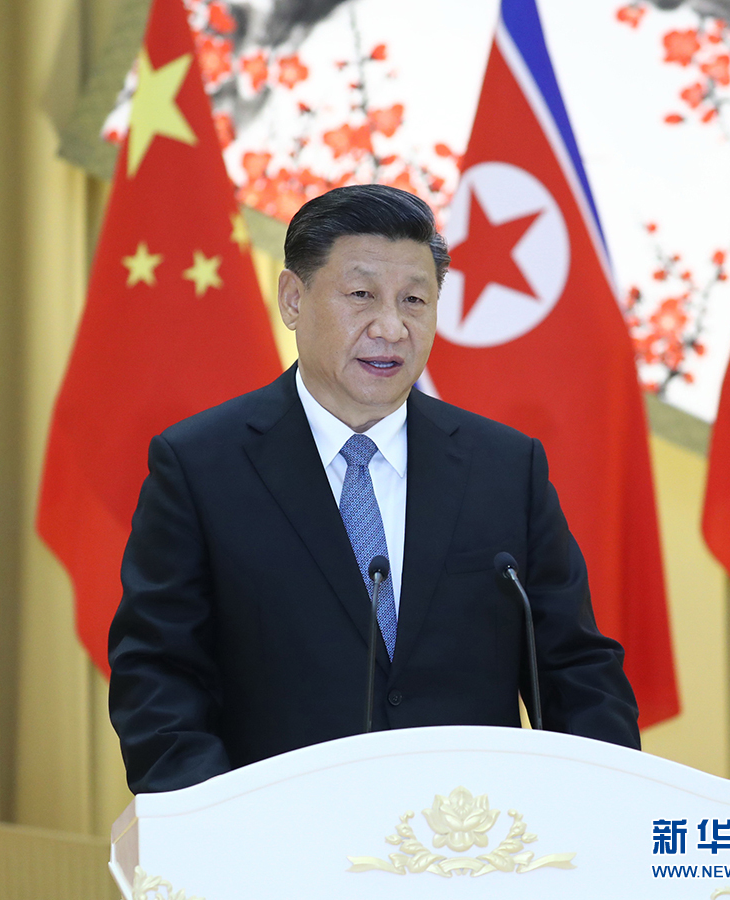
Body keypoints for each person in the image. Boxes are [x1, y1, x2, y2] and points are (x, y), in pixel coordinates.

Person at [108, 184, 641, 794]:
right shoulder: (201, 466)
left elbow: (576, 670)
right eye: (361, 295)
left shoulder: (505, 468)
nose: (391, 328)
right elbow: (158, 676)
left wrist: (606, 804)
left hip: (473, 835)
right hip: (284, 835)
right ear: (293, 298)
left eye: (414, 300)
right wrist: (217, 823)